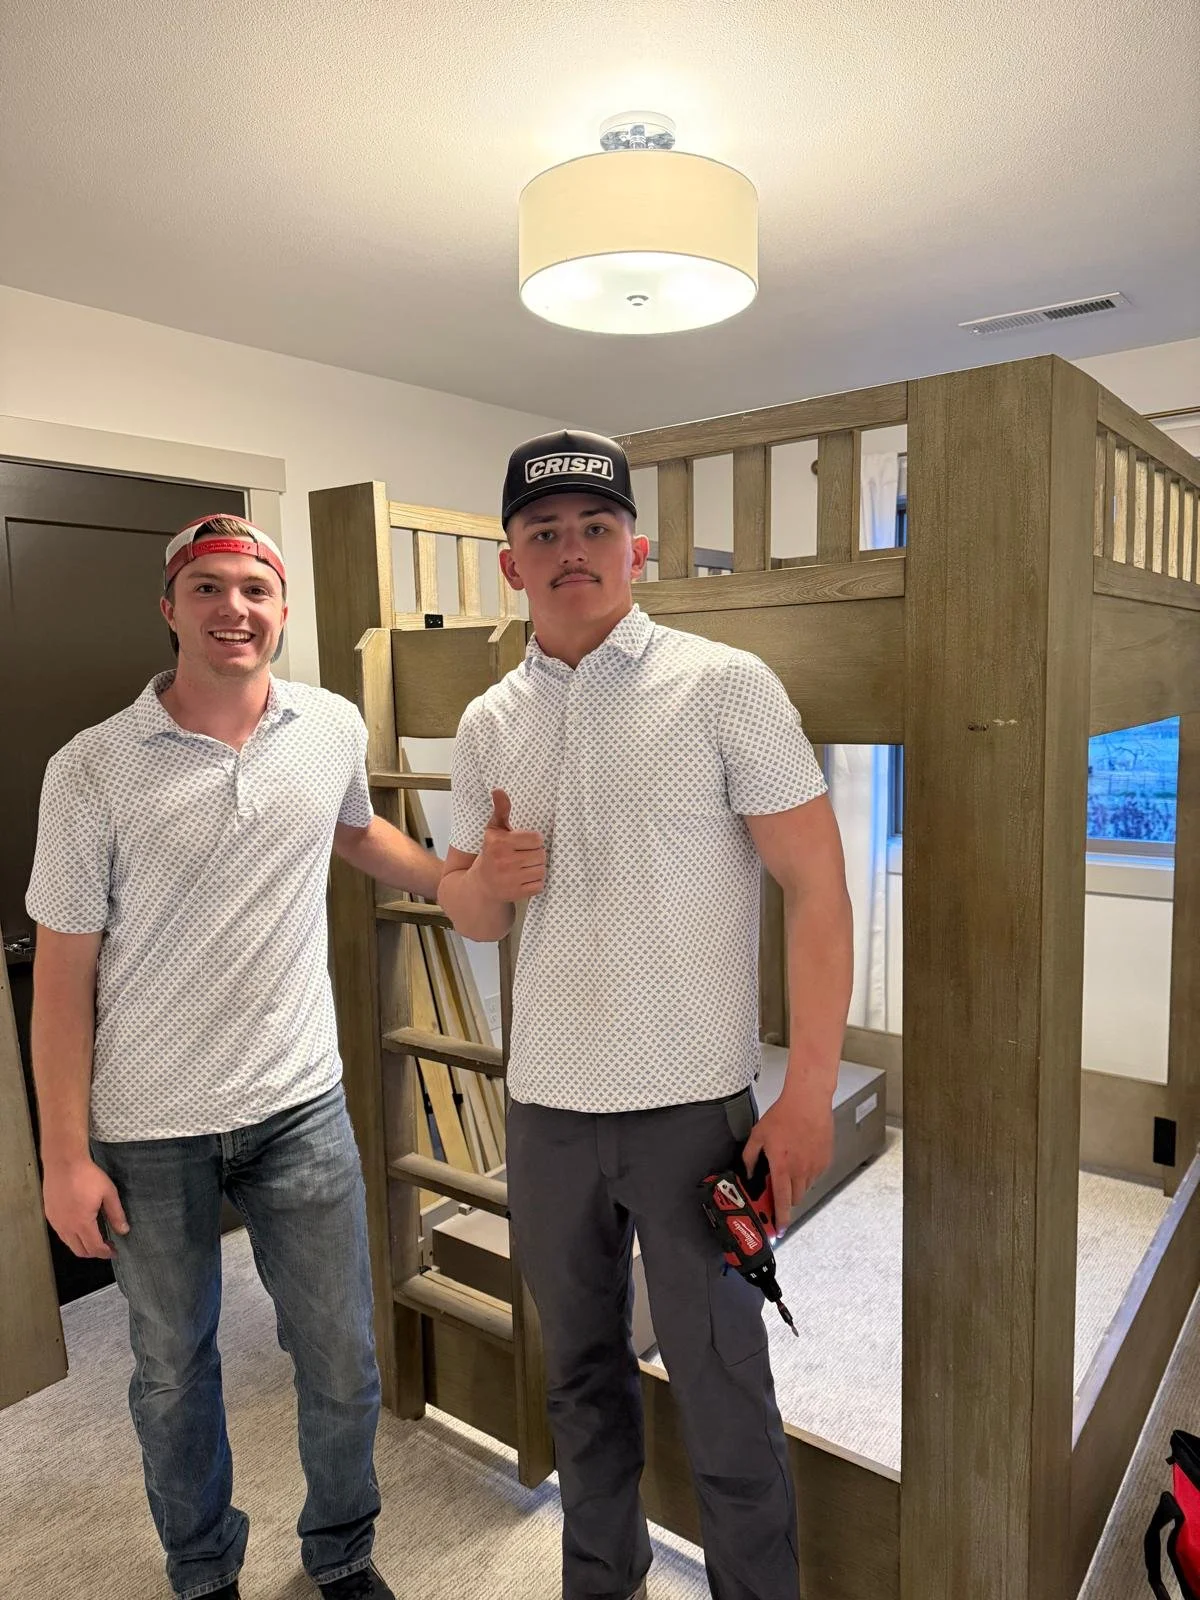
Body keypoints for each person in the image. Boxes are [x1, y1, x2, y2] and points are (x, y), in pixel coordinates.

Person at [438, 431, 855, 1600]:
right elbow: (467, 909)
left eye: (595, 528)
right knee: (579, 1378)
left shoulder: (725, 687)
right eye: (544, 533)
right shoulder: (487, 722)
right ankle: (599, 1579)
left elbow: (817, 888)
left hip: (694, 1118)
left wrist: (809, 1090)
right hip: (548, 1118)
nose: (572, 550)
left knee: (726, 1387)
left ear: (639, 548)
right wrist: (488, 883)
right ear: (511, 562)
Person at [26, 514, 440, 1600]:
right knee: (172, 1375)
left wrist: (456, 879)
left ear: (284, 608)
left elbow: (353, 834)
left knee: (343, 1361)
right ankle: (203, 1572)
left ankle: (342, 1554)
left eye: (253, 588)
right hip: (149, 1123)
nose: (233, 610)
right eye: (206, 588)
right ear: (170, 608)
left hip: (299, 1101)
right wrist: (62, 1154)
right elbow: (62, 975)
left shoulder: (330, 726)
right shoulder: (91, 770)